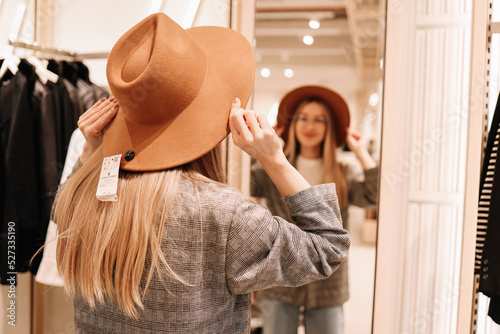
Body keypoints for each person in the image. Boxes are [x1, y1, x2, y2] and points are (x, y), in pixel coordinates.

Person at [50, 13, 350, 334]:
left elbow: (61, 210)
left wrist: (91, 153)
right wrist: (274, 158)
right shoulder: (223, 213)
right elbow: (328, 247)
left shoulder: (86, 194)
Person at [251, 85, 378, 334]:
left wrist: (361, 151)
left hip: (328, 282)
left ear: (329, 127)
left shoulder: (343, 172)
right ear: (292, 124)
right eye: (303, 118)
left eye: (319, 120)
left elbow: (372, 197)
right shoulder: (274, 170)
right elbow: (240, 179)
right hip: (281, 277)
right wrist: (267, 151)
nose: (310, 126)